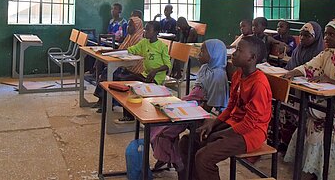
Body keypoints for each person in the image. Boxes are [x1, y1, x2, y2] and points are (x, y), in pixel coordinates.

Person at [178, 36, 272, 180]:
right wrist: (213, 123)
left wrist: (223, 134)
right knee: (187, 141)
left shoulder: (259, 84)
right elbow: (230, 107)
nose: (233, 53)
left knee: (204, 157)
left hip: (251, 133)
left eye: (239, 50)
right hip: (234, 124)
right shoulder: (238, 74)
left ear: (252, 58)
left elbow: (250, 123)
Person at [283, 18, 335, 180]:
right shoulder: (328, 53)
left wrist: (333, 82)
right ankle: (312, 168)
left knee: (320, 133)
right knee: (306, 126)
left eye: (332, 34)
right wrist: (292, 73)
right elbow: (310, 66)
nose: (326, 37)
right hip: (326, 107)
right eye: (325, 34)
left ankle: (325, 171)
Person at [150, 39, 229, 171]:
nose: (199, 53)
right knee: (157, 123)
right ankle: (167, 156)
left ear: (214, 54)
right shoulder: (205, 68)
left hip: (198, 110)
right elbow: (195, 90)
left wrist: (190, 112)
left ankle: (176, 160)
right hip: (190, 103)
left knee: (166, 130)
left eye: (204, 51)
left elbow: (210, 104)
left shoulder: (218, 75)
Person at [116, 21, 172, 123]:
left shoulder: (162, 46)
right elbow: (132, 49)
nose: (145, 31)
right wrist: (117, 52)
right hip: (145, 74)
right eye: (145, 29)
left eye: (148, 30)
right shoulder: (144, 42)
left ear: (155, 32)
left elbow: (168, 66)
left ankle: (141, 114)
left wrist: (155, 71)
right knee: (125, 83)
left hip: (156, 78)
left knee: (138, 88)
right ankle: (129, 115)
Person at [92, 16, 144, 110]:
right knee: (106, 72)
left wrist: (112, 52)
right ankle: (102, 100)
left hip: (134, 68)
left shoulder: (138, 38)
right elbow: (122, 49)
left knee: (114, 76)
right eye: (128, 25)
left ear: (137, 27)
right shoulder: (129, 36)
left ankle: (108, 103)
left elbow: (130, 53)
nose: (128, 27)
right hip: (125, 64)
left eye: (131, 25)